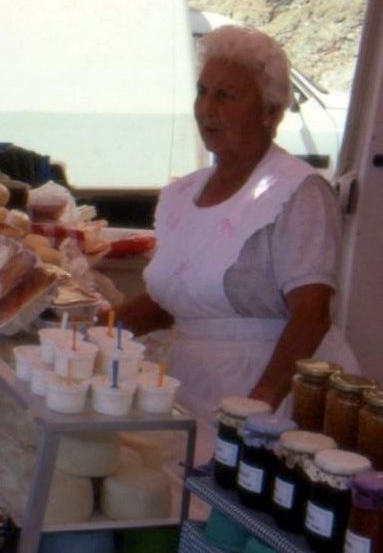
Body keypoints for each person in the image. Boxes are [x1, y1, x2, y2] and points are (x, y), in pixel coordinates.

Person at [114, 25, 357, 452]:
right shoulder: (183, 193)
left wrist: (258, 406)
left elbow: (311, 315)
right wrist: (91, 331)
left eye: (226, 96)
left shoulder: (297, 191)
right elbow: (172, 301)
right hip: (190, 385)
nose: (207, 108)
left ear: (270, 112)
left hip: (268, 397)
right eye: (202, 92)